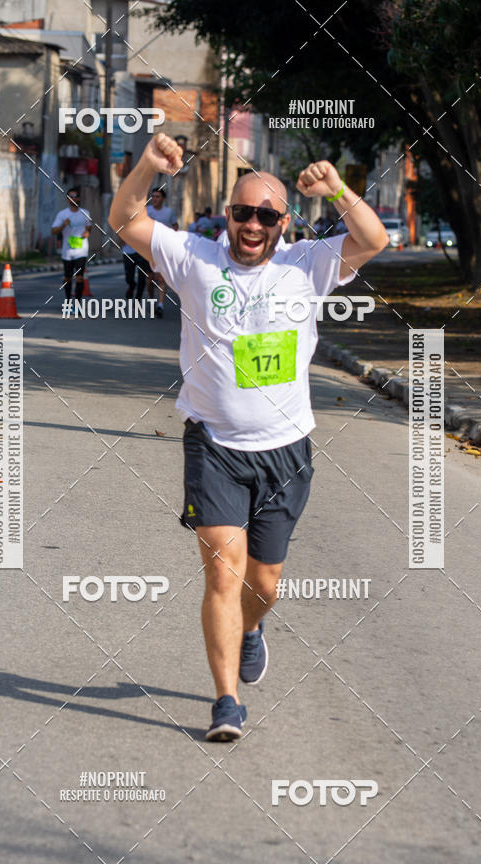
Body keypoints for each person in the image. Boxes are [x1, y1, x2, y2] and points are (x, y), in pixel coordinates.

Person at [108, 133, 388, 742]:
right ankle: (226, 701)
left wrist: (337, 189)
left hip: (285, 451)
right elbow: (124, 218)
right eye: (242, 212)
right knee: (221, 574)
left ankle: (253, 629)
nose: (253, 223)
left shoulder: (307, 265)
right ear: (228, 216)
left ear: (284, 222)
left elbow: (373, 239)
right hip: (214, 446)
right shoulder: (194, 258)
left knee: (263, 584)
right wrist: (149, 166)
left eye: (266, 214)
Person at [51, 187, 92, 302]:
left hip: (81, 250)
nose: (73, 199)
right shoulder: (62, 214)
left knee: (79, 277)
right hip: (67, 251)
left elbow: (89, 225)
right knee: (68, 278)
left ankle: (77, 303)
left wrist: (87, 231)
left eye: (75, 197)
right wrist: (63, 225)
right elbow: (53, 231)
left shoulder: (85, 213)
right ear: (67, 199)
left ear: (79, 198)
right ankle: (68, 301)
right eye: (70, 197)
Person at [145, 187, 177, 317]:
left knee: (161, 279)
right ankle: (153, 301)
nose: (154, 199)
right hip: (148, 249)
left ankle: (160, 305)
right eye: (153, 196)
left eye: (157, 196)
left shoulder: (168, 212)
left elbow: (175, 225)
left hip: (163, 249)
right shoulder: (147, 211)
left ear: (163, 199)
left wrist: (172, 237)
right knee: (149, 281)